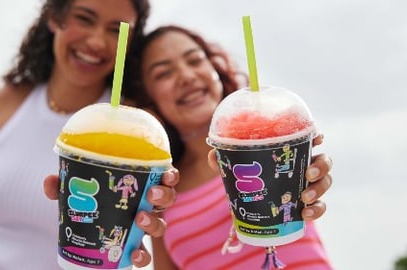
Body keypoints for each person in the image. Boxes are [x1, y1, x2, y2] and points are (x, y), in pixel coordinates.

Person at [0, 1, 178, 269]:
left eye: (116, 30)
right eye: (85, 18)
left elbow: (150, 232)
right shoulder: (13, 97)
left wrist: (154, 206)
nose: (98, 42)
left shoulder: (139, 131)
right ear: (55, 18)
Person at [131, 25, 334, 269]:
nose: (186, 76)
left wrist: (309, 175)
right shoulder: (162, 188)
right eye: (163, 74)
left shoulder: (275, 144)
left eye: (195, 60)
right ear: (148, 97)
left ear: (215, 69)